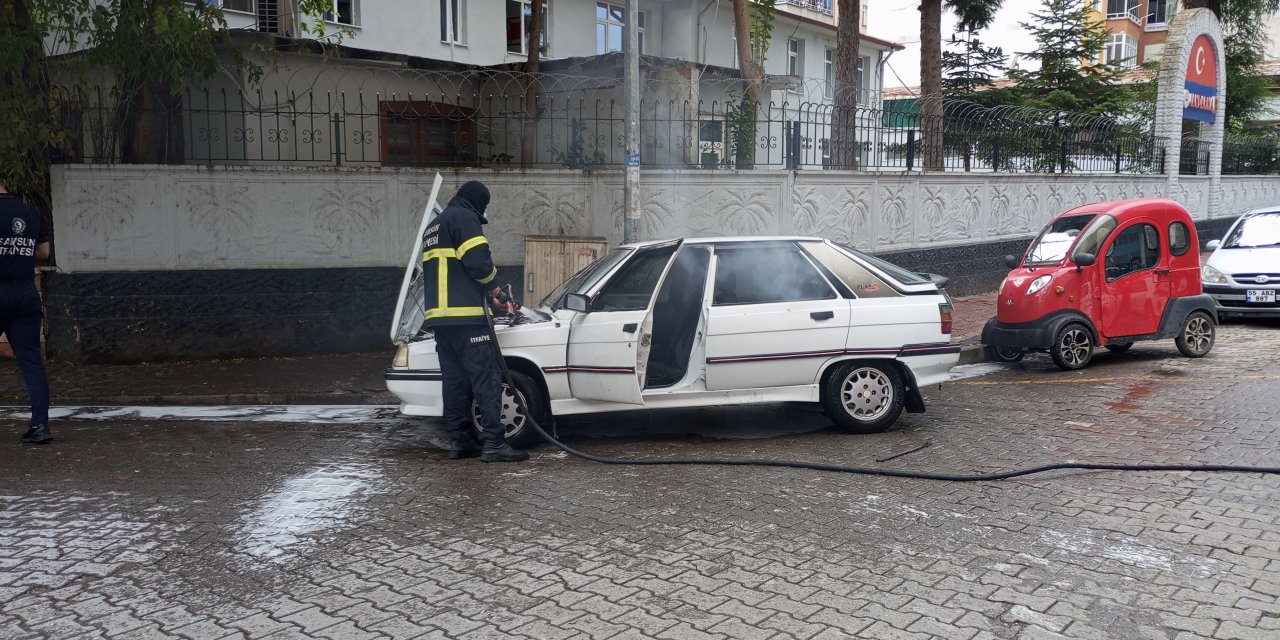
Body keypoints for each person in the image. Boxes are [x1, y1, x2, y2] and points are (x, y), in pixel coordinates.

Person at [423, 181, 528, 463]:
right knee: (487, 379)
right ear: (478, 203)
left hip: (441, 321)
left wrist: (488, 298)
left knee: (455, 382)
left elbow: (454, 273)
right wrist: (494, 288)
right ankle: (494, 442)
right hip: (467, 319)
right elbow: (479, 263)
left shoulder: (435, 225)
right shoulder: (465, 218)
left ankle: (461, 442)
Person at [0, 172, 52, 444]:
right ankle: (40, 426)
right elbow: (43, 252)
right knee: (31, 362)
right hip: (24, 292)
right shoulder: (29, 211)